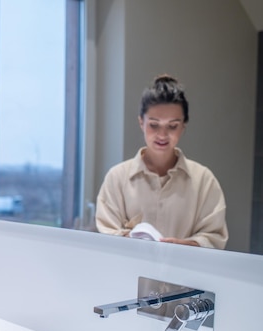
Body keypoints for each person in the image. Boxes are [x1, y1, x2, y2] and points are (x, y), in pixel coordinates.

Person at [95, 74, 228, 249]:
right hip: (127, 275)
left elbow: (215, 237)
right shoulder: (117, 178)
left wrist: (184, 247)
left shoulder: (204, 181)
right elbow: (106, 237)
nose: (162, 135)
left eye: (172, 126)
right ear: (141, 122)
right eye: (154, 125)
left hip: (182, 274)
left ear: (183, 125)